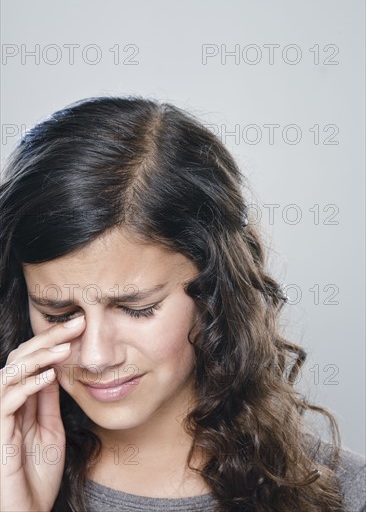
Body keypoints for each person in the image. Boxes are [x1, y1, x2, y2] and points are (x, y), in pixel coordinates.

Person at [0, 95, 364, 512]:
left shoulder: (347, 495)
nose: (96, 356)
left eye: (136, 308)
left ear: (214, 292)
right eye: (58, 314)